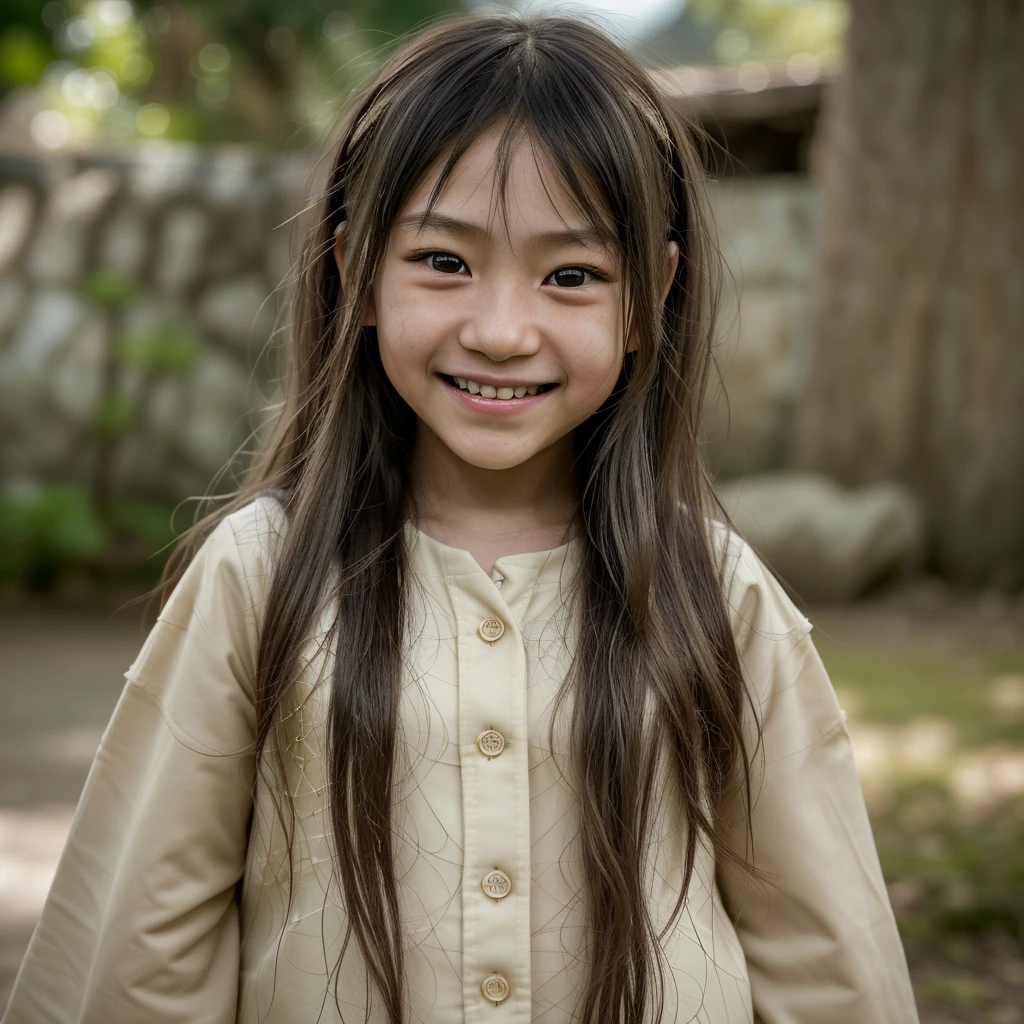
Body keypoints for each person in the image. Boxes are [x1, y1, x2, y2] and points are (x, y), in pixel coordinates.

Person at [2, 11, 919, 1024]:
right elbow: (142, 951)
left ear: (650, 294)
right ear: (355, 272)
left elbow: (826, 960)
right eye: (444, 261)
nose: (499, 330)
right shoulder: (257, 575)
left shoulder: (718, 593)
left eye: (571, 276)